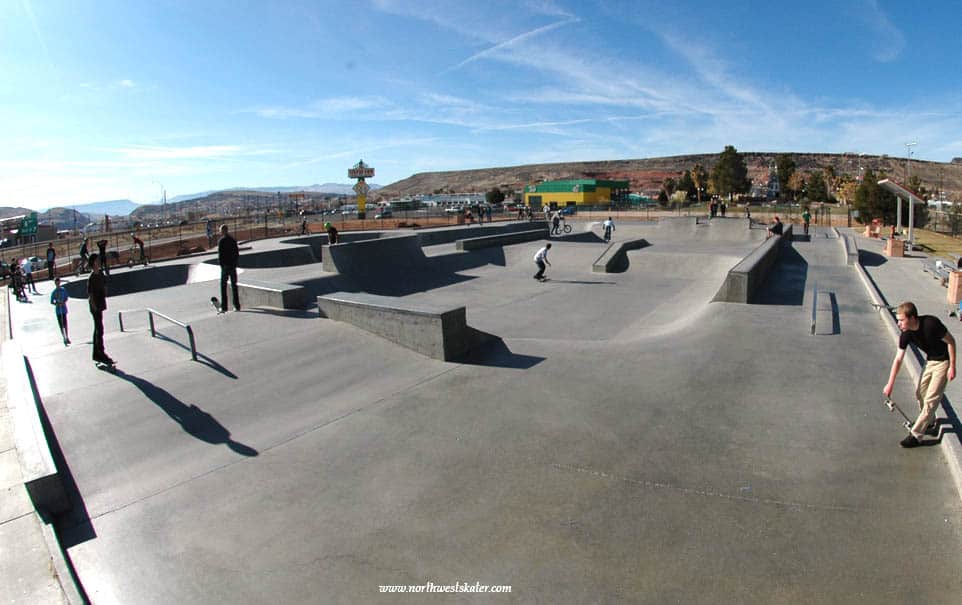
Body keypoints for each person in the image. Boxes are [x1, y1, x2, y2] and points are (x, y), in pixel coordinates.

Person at [883, 302, 957, 447]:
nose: (899, 324)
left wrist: (952, 367)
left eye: (902, 320)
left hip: (943, 362)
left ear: (912, 318)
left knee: (930, 399)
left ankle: (916, 435)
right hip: (930, 361)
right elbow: (898, 359)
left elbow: (951, 342)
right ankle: (928, 422)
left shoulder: (931, 324)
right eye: (897, 320)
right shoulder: (906, 334)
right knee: (920, 394)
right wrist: (890, 384)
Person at [87, 253, 114, 366]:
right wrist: (94, 307)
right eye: (97, 260)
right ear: (93, 263)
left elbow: (104, 285)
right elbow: (90, 295)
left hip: (100, 303)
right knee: (100, 329)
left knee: (97, 329)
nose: (99, 262)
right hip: (95, 306)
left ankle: (95, 354)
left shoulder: (101, 274)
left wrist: (105, 290)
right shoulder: (91, 277)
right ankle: (101, 353)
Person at [217, 224, 240, 313]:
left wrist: (222, 265)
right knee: (234, 286)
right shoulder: (233, 240)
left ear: (223, 231)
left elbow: (220, 255)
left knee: (223, 286)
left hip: (225, 266)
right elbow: (237, 253)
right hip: (232, 266)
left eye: (220, 231)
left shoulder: (221, 241)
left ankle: (224, 307)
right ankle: (236, 306)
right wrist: (235, 264)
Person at [50, 277, 70, 345]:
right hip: (58, 310)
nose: (58, 283)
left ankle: (67, 337)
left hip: (63, 309)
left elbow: (66, 298)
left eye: (58, 282)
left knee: (65, 324)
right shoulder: (54, 292)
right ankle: (64, 337)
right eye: (56, 282)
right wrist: (57, 303)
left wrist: (63, 302)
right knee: (61, 325)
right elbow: (52, 301)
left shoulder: (63, 290)